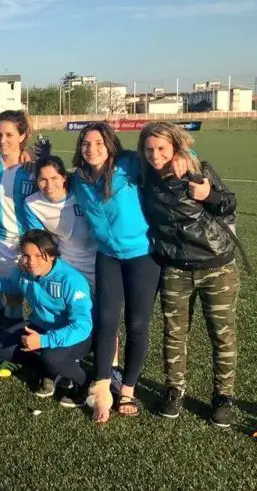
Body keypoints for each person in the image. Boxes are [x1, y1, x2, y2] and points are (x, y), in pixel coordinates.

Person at [72, 121, 186, 423]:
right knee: (106, 321)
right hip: (107, 256)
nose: (91, 149)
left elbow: (161, 158)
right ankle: (101, 388)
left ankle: (127, 390)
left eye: (98, 143)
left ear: (110, 145)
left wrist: (184, 157)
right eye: (86, 143)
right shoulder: (79, 180)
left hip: (142, 256)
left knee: (137, 323)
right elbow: (51, 180)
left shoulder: (129, 165)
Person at [138, 121, 239, 427]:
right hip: (175, 268)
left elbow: (228, 203)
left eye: (162, 148)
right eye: (149, 148)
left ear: (175, 148)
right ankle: (174, 390)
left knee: (221, 335)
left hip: (215, 265)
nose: (155, 155)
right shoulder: (145, 177)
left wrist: (209, 194)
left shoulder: (198, 169)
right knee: (174, 333)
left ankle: (223, 396)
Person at [0, 229, 93, 407]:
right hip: (39, 326)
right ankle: (49, 371)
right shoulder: (24, 271)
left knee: (51, 357)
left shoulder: (71, 280)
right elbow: (11, 284)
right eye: (26, 256)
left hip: (75, 335)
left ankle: (85, 383)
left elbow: (82, 326)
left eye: (39, 256)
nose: (31, 262)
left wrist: (44, 341)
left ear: (51, 256)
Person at [0, 110, 37, 324]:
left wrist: (33, 154)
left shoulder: (33, 168)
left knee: (15, 296)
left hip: (23, 243)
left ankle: (10, 342)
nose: (2, 140)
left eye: (9, 135)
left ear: (22, 136)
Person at [24, 155, 97, 288]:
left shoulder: (81, 193)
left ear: (64, 177)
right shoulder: (32, 204)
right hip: (67, 264)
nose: (49, 185)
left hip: (98, 260)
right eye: (43, 180)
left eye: (54, 178)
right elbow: (39, 241)